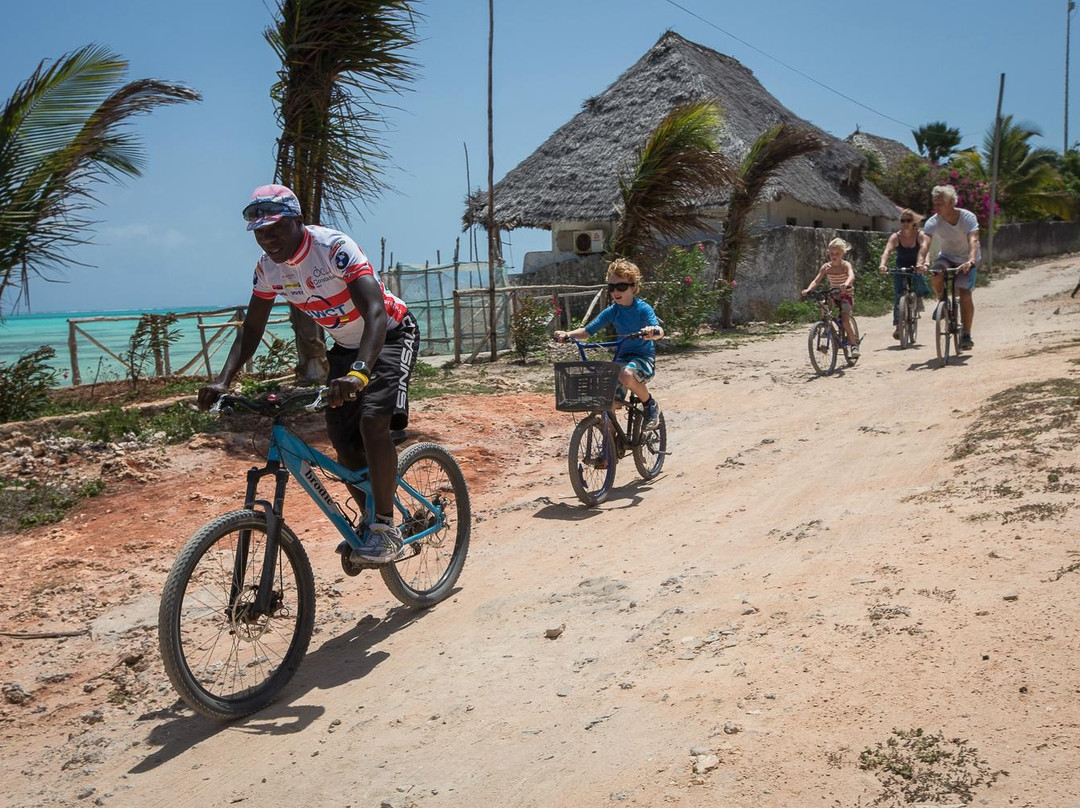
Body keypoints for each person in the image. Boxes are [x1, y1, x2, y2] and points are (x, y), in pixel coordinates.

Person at [198, 184, 419, 563]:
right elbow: (251, 329)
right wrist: (223, 380)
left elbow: (375, 314)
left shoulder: (333, 248)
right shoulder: (268, 270)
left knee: (372, 423)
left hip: (389, 335)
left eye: (276, 229)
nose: (268, 239)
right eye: (260, 233)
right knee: (343, 439)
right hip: (346, 349)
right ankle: (371, 518)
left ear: (298, 222)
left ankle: (385, 529)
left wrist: (361, 373)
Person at [554, 258, 665, 428]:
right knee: (606, 400)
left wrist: (652, 332)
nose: (615, 292)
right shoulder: (612, 311)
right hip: (621, 358)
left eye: (621, 286)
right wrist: (567, 334)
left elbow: (659, 331)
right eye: (611, 287)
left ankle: (650, 404)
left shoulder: (643, 309)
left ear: (633, 287)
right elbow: (586, 332)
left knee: (626, 375)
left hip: (643, 358)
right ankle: (611, 446)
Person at [922, 185, 980, 351]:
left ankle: (966, 334)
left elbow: (973, 240)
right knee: (936, 273)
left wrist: (971, 260)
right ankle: (942, 300)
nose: (936, 206)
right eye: (935, 202)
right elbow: (925, 243)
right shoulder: (933, 221)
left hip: (966, 258)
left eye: (940, 203)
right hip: (946, 257)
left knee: (964, 294)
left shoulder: (967, 217)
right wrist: (922, 261)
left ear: (951, 202)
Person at [878, 209, 932, 340]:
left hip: (916, 265)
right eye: (903, 220)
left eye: (908, 220)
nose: (905, 223)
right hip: (900, 266)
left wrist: (925, 264)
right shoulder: (896, 237)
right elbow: (887, 252)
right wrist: (883, 265)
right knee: (898, 296)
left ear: (914, 222)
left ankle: (917, 298)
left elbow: (925, 251)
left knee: (920, 284)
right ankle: (898, 326)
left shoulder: (920, 235)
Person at [802, 237, 860, 358]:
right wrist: (808, 289)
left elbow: (851, 276)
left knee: (845, 321)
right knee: (823, 304)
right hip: (833, 294)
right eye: (832, 253)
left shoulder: (845, 265)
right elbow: (816, 280)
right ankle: (826, 326)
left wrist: (847, 284)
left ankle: (853, 346)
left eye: (837, 253)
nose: (834, 255)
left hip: (846, 295)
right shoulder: (826, 267)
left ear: (843, 253)